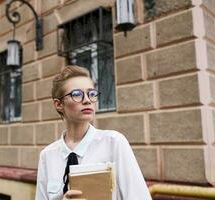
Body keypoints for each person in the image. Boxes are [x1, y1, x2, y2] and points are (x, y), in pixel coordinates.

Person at [35, 65, 152, 200]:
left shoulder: (114, 143)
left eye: (92, 93)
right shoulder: (47, 155)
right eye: (77, 94)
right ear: (59, 104)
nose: (87, 100)